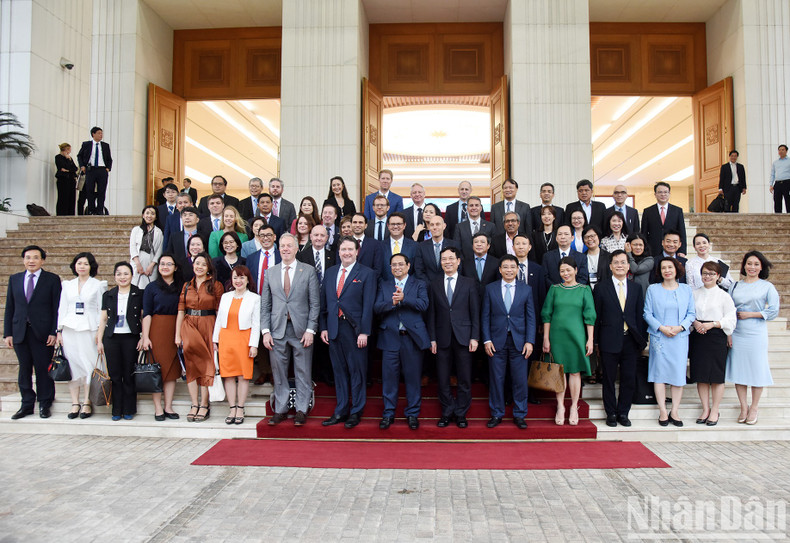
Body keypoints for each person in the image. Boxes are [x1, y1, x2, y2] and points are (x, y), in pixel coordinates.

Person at [262, 234, 320, 426]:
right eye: (282, 246)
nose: (285, 249)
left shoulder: (308, 271)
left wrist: (311, 330)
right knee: (278, 372)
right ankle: (281, 408)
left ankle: (302, 409)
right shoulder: (270, 272)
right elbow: (265, 305)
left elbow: (314, 303)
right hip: (277, 330)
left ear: (296, 249)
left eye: (289, 246)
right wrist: (265, 331)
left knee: (303, 371)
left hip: (301, 330)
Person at [320, 237, 377, 429]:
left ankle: (356, 411)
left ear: (357, 251)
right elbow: (325, 303)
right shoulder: (330, 273)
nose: (346, 252)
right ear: (338, 251)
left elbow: (368, 305)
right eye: (343, 249)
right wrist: (324, 327)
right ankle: (341, 410)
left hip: (355, 331)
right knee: (339, 372)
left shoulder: (367, 274)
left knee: (357, 372)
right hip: (334, 328)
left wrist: (365, 332)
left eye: (350, 249)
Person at [4, 245, 62, 419]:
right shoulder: (15, 279)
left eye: (36, 257)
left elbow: (56, 308)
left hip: (43, 333)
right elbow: (10, 307)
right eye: (28, 257)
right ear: (23, 260)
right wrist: (8, 333)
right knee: (24, 369)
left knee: (43, 368)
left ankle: (45, 403)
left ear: (42, 260)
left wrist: (54, 331)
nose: (31, 260)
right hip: (20, 331)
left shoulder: (51, 279)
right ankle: (27, 404)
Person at [374, 254, 430, 430]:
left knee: (413, 379)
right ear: (390, 268)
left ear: (408, 265)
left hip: (411, 339)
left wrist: (404, 298)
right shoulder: (384, 284)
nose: (397, 267)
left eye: (400, 264)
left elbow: (424, 305)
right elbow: (376, 307)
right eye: (393, 265)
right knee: (389, 379)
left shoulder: (419, 284)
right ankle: (388, 413)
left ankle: (413, 414)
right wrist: (392, 302)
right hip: (390, 338)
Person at [428, 247, 480, 429]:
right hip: (442, 338)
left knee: (464, 378)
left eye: (451, 258)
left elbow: (475, 312)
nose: (447, 262)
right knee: (442, 379)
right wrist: (432, 338)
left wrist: (475, 336)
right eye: (444, 259)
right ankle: (447, 411)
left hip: (464, 337)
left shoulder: (469, 283)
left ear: (458, 261)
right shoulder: (434, 284)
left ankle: (461, 413)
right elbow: (432, 314)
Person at [593, 250, 646, 427]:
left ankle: (623, 412)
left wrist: (641, 339)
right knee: (608, 378)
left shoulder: (636, 288)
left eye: (623, 262)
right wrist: (596, 341)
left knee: (628, 378)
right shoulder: (601, 287)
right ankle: (611, 413)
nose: (620, 265)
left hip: (630, 340)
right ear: (610, 266)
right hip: (609, 340)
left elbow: (639, 316)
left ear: (628, 266)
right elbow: (597, 316)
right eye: (616, 262)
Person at [726, 251, 780, 425]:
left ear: (761, 267)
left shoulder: (767, 287)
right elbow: (728, 309)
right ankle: (743, 406)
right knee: (739, 371)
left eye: (756, 264)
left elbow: (773, 311)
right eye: (749, 263)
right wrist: (729, 333)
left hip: (756, 333)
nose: (752, 267)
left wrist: (752, 314)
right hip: (737, 332)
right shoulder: (735, 286)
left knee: (757, 370)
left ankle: (754, 407)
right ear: (744, 265)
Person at [482, 255, 536, 429]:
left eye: (512, 267)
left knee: (520, 379)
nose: (509, 270)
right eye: (505, 267)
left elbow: (531, 318)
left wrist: (530, 341)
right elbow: (485, 316)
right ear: (500, 269)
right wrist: (487, 339)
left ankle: (520, 414)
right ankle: (497, 413)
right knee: (496, 379)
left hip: (519, 341)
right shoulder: (490, 289)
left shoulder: (526, 289)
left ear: (517, 269)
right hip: (496, 341)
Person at [541, 257, 596, 426]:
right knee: (559, 371)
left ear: (576, 270)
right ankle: (560, 406)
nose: (565, 274)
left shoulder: (584, 289)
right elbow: (546, 314)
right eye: (562, 271)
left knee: (574, 372)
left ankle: (573, 406)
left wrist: (590, 340)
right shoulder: (554, 289)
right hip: (557, 336)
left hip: (577, 336)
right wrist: (545, 337)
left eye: (568, 270)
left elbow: (590, 316)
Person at [643, 257, 695, 427]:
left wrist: (680, 327)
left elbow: (691, 313)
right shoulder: (653, 289)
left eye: (670, 267)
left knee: (678, 374)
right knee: (660, 374)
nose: (667, 270)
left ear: (676, 269)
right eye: (663, 268)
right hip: (660, 337)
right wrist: (662, 328)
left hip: (679, 337)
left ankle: (675, 411)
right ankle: (663, 411)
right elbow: (647, 314)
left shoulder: (686, 290)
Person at [56, 253, 106, 419]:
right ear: (74, 266)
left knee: (88, 365)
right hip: (70, 329)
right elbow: (62, 308)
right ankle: (74, 402)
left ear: (91, 266)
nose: (82, 266)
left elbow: (101, 310)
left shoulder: (98, 285)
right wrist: (59, 331)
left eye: (85, 263)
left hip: (89, 329)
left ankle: (87, 402)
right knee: (73, 365)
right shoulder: (67, 285)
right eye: (79, 263)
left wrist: (100, 332)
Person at [175, 253, 224, 422]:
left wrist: (217, 336)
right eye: (197, 263)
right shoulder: (187, 285)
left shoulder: (215, 285)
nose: (200, 267)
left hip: (208, 324)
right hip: (188, 325)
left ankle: (204, 404)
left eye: (203, 264)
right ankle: (194, 403)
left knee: (206, 365)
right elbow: (181, 310)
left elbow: (219, 312)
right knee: (190, 365)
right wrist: (177, 335)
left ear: (208, 267)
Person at [689, 261, 737, 427]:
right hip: (698, 335)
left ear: (718, 276)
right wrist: (695, 323)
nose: (707, 276)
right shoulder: (694, 293)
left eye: (711, 274)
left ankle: (715, 409)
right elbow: (689, 312)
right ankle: (705, 408)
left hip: (716, 335)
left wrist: (713, 324)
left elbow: (731, 318)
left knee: (716, 376)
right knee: (701, 375)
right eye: (704, 273)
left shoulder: (724, 296)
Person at [213, 266, 260, 425]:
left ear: (247, 280)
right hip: (226, 338)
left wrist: (254, 345)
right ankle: (232, 407)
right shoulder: (225, 297)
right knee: (228, 375)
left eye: (241, 277)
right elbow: (219, 319)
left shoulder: (254, 298)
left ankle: (240, 407)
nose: (238, 281)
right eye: (235, 278)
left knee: (243, 375)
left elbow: (256, 323)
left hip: (244, 339)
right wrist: (215, 340)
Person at [97, 262, 143, 421]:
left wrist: (144, 336)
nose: (122, 277)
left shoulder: (139, 293)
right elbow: (103, 319)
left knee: (128, 374)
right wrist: (99, 340)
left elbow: (144, 317)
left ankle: (129, 408)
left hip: (131, 337)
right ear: (114, 276)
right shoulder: (108, 295)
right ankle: (116, 409)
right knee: (115, 375)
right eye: (119, 274)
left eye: (126, 273)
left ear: (132, 275)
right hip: (111, 338)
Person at [141, 254, 184, 421]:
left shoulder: (181, 286)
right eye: (162, 264)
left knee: (172, 370)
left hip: (176, 329)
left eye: (169, 264)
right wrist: (145, 336)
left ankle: (168, 406)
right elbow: (147, 314)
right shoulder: (151, 287)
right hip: (157, 330)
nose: (165, 267)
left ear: (176, 267)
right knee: (157, 370)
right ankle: (158, 407)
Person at [641, 181, 687, 257]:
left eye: (666, 192)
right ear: (655, 194)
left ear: (669, 194)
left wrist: (682, 250)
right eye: (660, 192)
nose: (663, 194)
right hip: (653, 250)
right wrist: (645, 251)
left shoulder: (677, 210)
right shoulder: (648, 211)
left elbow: (682, 231)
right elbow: (644, 233)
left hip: (672, 250)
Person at [76, 126, 112, 215]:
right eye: (99, 133)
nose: (101, 135)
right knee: (89, 190)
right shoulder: (86, 144)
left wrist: (108, 168)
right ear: (93, 134)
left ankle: (100, 210)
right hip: (90, 169)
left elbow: (109, 158)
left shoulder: (105, 145)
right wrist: (82, 166)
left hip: (102, 170)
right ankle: (91, 209)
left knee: (101, 190)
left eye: (102, 133)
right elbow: (79, 156)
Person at [414, 215, 459, 285]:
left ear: (444, 226)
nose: (435, 227)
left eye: (438, 224)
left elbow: (458, 267)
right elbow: (419, 270)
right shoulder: (421, 246)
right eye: (432, 225)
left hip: (449, 286)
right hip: (428, 287)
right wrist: (431, 286)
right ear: (429, 227)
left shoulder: (454, 245)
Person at [130, 205, 163, 288]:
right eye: (147, 213)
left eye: (152, 214)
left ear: (156, 217)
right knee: (135, 286)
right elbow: (132, 247)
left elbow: (159, 250)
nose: (149, 216)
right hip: (138, 260)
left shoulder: (159, 232)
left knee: (149, 287)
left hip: (151, 262)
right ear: (143, 215)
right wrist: (137, 264)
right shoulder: (136, 230)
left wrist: (151, 265)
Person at [453, 196, 495, 260]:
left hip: (486, 264)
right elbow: (457, 247)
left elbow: (493, 247)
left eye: (476, 205)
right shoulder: (459, 227)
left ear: (481, 208)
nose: (474, 208)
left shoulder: (491, 226)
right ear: (467, 208)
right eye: (471, 205)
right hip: (466, 264)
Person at [461, 232, 501, 299]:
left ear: (488, 246)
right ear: (472, 245)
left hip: (490, 298)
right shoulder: (465, 263)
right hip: (470, 299)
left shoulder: (496, 262)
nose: (479, 244)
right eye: (476, 242)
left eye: (482, 242)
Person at [379, 212, 417, 282]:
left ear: (404, 225)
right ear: (388, 225)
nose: (395, 226)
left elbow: (417, 271)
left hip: (408, 289)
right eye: (392, 224)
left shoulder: (415, 246)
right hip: (385, 288)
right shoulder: (379, 246)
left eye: (399, 224)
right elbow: (378, 271)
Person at [582, 226, 610, 291]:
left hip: (605, 292)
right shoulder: (581, 257)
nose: (589, 239)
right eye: (586, 237)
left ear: (598, 237)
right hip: (587, 293)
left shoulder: (608, 256)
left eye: (592, 236)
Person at [55, 143, 78, 216]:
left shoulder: (70, 158)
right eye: (69, 150)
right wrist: (68, 168)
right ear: (65, 149)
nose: (69, 152)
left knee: (72, 198)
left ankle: (70, 214)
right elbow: (61, 167)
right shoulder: (58, 157)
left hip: (71, 179)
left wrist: (68, 169)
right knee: (63, 197)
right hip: (63, 180)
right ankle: (61, 214)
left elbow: (75, 168)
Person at [770, 144, 790, 213]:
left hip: (787, 183)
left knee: (788, 200)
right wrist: (771, 184)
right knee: (777, 201)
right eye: (779, 150)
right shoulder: (775, 163)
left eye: (782, 150)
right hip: (777, 183)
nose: (781, 151)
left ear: (786, 151)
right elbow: (772, 174)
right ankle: (777, 217)